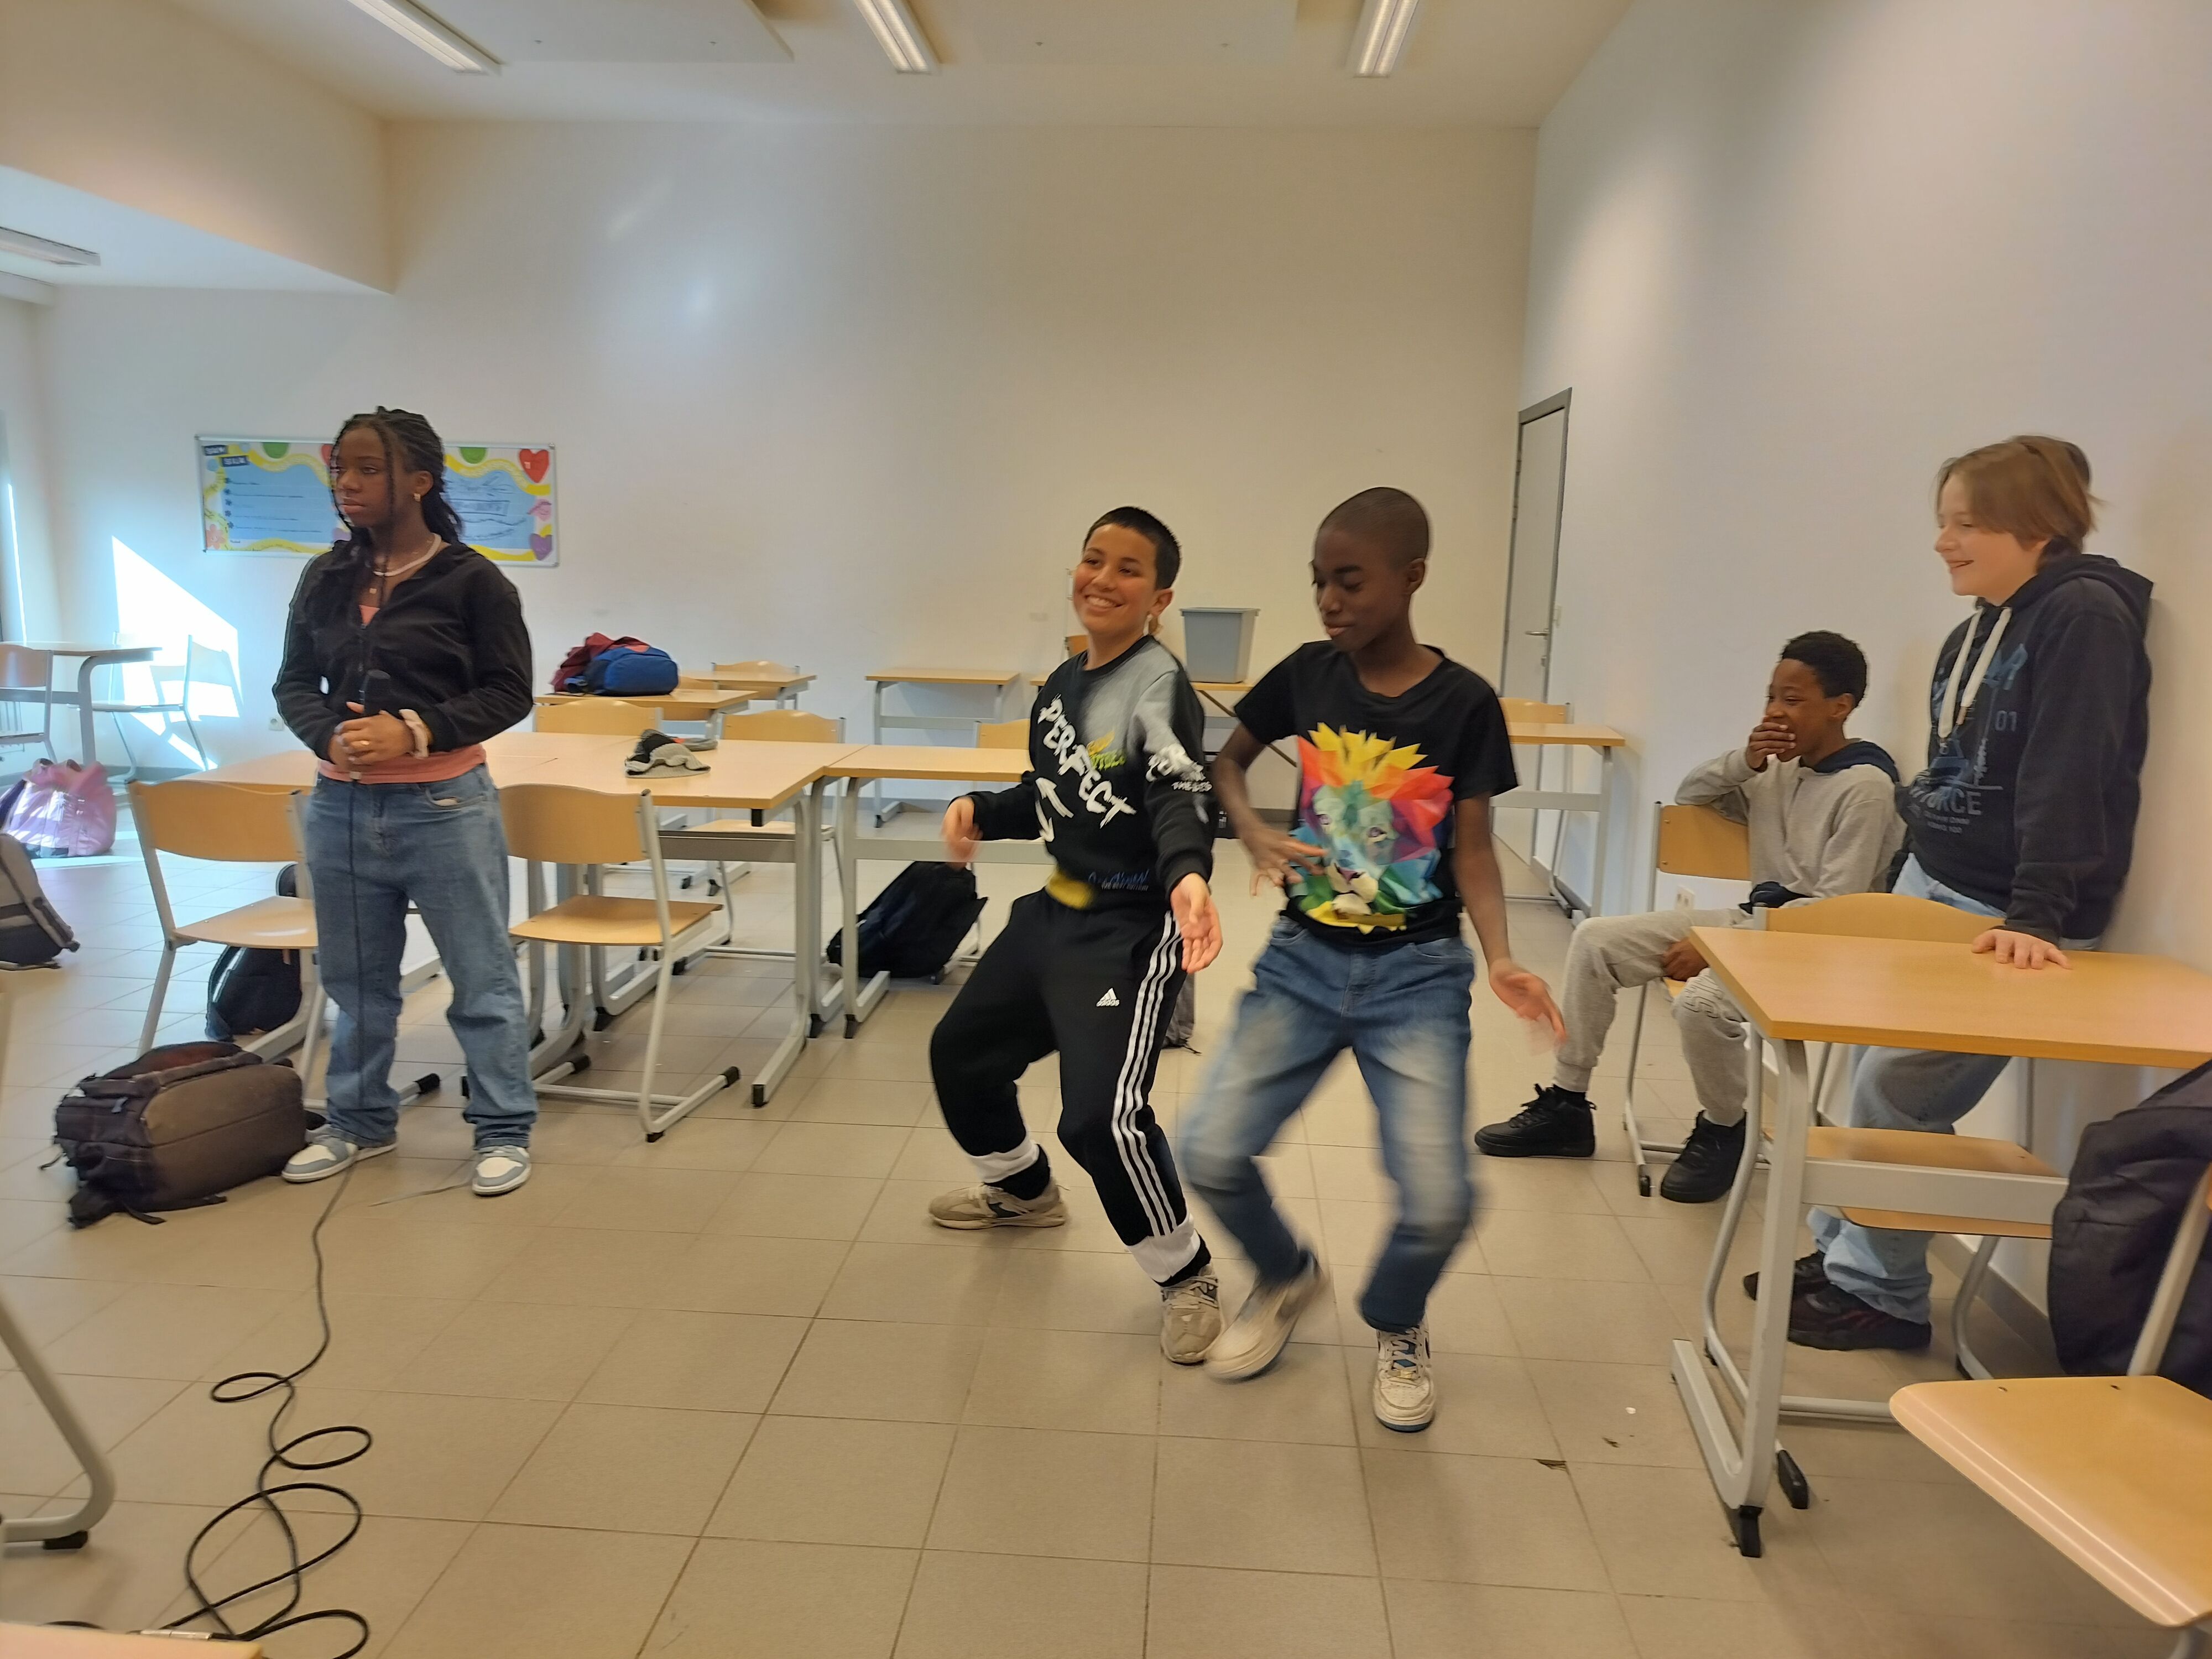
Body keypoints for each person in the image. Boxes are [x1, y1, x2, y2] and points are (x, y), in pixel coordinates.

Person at [1180, 487, 1563, 1432]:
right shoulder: (1308, 675)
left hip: (1418, 977)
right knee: (1209, 1150)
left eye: (1350, 581)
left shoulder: (1464, 703)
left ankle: (1396, 1320)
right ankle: (1284, 1275)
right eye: (1319, 581)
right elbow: (1227, 762)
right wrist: (1250, 830)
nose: (1330, 600)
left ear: (1412, 577)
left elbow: (1474, 847)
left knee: (1439, 1202)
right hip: (1301, 965)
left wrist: (1501, 956)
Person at [1792, 436, 2151, 1350]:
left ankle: (1882, 1294)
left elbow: (2071, 769)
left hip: (2005, 912)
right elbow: (1954, 768)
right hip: (1934, 885)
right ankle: (1844, 1251)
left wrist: (2038, 912)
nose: (1943, 542)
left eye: (1966, 524)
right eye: (1943, 522)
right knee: (1868, 1077)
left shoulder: (2084, 616)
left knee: (1899, 1089)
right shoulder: (1978, 630)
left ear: (2038, 525)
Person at [924, 507, 1227, 1363]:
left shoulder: (1157, 686)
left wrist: (1188, 873)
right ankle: (1022, 1192)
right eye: (1094, 559)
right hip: (1055, 910)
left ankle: (1187, 1272)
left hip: (1128, 928)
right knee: (962, 1053)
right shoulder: (1063, 684)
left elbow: (1177, 793)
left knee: (1102, 1120)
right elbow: (1050, 793)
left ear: (1159, 599)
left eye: (1129, 569)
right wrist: (983, 809)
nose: (1103, 578)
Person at [1474, 633, 1903, 1202]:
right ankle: (1568, 1105)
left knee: (1700, 1004)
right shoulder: (1777, 770)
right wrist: (1747, 761)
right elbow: (1692, 792)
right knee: (1595, 940)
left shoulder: (1867, 788)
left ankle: (1725, 1128)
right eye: (1770, 697)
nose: (1775, 711)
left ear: (1840, 707)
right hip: (1754, 922)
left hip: (1816, 948)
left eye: (1793, 700)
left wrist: (1720, 945)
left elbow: (1833, 911)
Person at [274, 407, 540, 1198]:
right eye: (340, 469)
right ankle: (358, 1121)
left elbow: (509, 692)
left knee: (481, 979)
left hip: (444, 806)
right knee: (357, 984)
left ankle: (502, 1129)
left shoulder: (473, 581)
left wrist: (415, 731)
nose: (347, 484)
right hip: (341, 809)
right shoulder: (324, 578)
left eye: (368, 469)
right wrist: (329, 735)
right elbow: (293, 683)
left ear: (419, 482)